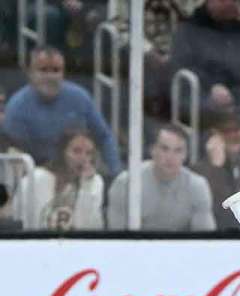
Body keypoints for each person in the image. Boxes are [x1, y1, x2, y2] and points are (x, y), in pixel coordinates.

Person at [1, 45, 122, 175]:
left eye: (56, 70)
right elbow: (14, 155)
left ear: (63, 73)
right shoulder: (17, 107)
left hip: (78, 172)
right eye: (43, 70)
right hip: (35, 175)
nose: (50, 76)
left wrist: (115, 172)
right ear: (30, 73)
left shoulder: (80, 98)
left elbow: (104, 137)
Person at [107, 124, 216, 231]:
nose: (170, 157)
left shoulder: (197, 186)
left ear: (185, 155)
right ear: (152, 150)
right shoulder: (125, 184)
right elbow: (117, 237)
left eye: (178, 150)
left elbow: (206, 238)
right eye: (164, 149)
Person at [170, 0, 240, 105]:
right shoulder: (188, 31)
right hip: (203, 102)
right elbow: (182, 71)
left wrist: (236, 95)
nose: (237, 5)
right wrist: (211, 87)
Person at [10, 128, 105, 230]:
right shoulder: (35, 179)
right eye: (76, 151)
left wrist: (86, 187)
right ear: (62, 152)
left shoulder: (94, 182)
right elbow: (22, 222)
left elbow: (90, 228)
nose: (83, 158)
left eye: (89, 153)